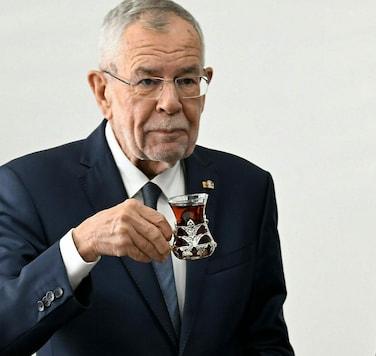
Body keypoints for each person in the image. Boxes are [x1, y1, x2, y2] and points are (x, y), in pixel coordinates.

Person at [0, 1, 293, 355]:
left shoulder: (247, 187)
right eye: (147, 81)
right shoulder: (28, 187)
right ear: (102, 91)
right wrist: (80, 247)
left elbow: (266, 341)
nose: (170, 102)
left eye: (186, 80)